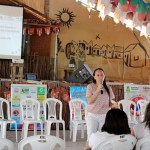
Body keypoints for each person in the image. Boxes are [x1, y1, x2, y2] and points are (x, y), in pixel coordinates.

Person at [85, 68, 117, 149]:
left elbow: (109, 103)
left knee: (103, 137)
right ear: (94, 77)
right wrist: (98, 89)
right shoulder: (90, 86)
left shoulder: (108, 88)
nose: (100, 77)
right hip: (92, 115)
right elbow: (90, 101)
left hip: (104, 116)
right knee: (91, 135)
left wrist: (113, 105)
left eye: (101, 75)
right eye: (98, 75)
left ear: (104, 76)